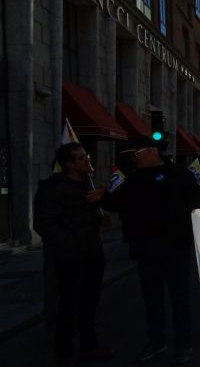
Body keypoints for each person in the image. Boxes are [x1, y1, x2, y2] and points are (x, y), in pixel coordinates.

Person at [100, 137, 200, 364]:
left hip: (175, 248)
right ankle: (156, 341)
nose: (134, 157)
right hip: (145, 249)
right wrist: (101, 197)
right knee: (152, 298)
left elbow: (198, 200)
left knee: (180, 298)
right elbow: (115, 202)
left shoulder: (181, 175)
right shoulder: (133, 179)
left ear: (152, 151)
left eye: (136, 152)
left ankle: (183, 343)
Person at [34, 143, 115, 367]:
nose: (87, 160)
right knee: (67, 307)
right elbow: (45, 225)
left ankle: (89, 346)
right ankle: (65, 353)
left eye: (87, 156)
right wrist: (74, 244)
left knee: (89, 305)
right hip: (69, 259)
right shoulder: (53, 189)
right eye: (81, 158)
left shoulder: (87, 185)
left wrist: (101, 219)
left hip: (92, 256)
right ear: (69, 164)